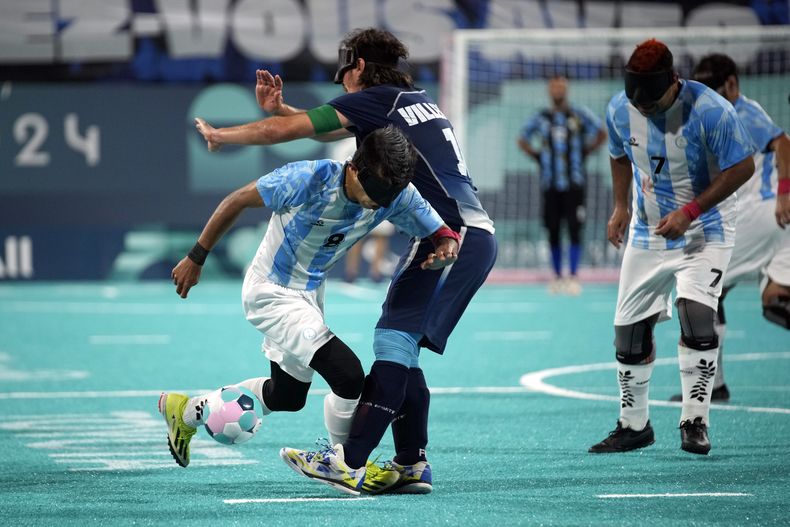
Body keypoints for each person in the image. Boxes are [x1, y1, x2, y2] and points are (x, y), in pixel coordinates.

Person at [194, 28, 497, 495]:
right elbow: (332, 126)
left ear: (358, 67)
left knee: (392, 342)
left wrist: (221, 134)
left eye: (344, 77)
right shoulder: (411, 100)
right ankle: (411, 462)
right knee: (403, 348)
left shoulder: (375, 102)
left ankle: (348, 460)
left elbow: (288, 132)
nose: (342, 89)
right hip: (473, 235)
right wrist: (283, 109)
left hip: (446, 234)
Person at [159, 125, 460, 469]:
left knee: (287, 396)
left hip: (310, 294)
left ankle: (185, 410)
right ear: (354, 168)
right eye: (374, 189)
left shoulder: (393, 192)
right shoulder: (308, 179)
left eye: (387, 194)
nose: (378, 202)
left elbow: (441, 231)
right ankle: (344, 464)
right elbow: (237, 200)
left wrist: (447, 247)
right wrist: (196, 257)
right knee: (348, 375)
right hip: (271, 291)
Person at [588, 39, 756, 457]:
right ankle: (634, 426)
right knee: (628, 335)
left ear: (674, 82)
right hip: (648, 231)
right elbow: (618, 155)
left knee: (696, 316)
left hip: (706, 229)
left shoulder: (712, 110)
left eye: (652, 101)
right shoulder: (619, 109)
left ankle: (695, 421)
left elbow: (743, 166)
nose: (643, 108)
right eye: (636, 101)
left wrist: (692, 211)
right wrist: (619, 206)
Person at [666, 53, 790, 402]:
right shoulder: (730, 113)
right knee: (775, 302)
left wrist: (783, 194)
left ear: (732, 85)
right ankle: (715, 383)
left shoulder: (739, 112)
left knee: (699, 290)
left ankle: (706, 388)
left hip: (765, 215)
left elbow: (784, 144)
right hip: (775, 221)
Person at [517, 75, 606, 295]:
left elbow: (601, 132)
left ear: (566, 89)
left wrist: (586, 151)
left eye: (561, 86)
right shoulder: (541, 117)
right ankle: (557, 277)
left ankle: (574, 277)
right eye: (554, 86)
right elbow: (522, 138)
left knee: (575, 229)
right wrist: (538, 156)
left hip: (575, 183)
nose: (557, 90)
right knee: (553, 230)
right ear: (549, 91)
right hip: (550, 184)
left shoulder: (579, 114)